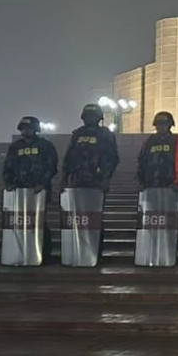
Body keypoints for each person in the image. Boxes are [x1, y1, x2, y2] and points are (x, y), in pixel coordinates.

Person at [62, 104, 120, 256]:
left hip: (96, 182)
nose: (90, 119)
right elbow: (69, 158)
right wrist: (65, 178)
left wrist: (106, 178)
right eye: (87, 116)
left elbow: (112, 158)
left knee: (94, 218)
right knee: (77, 218)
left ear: (99, 118)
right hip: (77, 181)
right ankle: (77, 251)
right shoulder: (77, 134)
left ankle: (96, 251)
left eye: (93, 116)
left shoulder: (105, 134)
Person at [3, 116, 59, 259]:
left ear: (35, 129)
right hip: (19, 190)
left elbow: (52, 166)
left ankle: (44, 254)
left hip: (39, 190)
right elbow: (8, 167)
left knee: (39, 222)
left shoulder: (45, 145)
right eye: (23, 128)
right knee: (20, 221)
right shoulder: (15, 147)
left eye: (28, 128)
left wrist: (43, 183)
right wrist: (9, 183)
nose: (26, 131)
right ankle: (21, 252)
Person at [136, 111, 178, 192]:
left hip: (172, 186)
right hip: (150, 186)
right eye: (159, 124)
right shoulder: (149, 142)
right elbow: (141, 162)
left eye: (164, 124)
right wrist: (140, 182)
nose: (161, 127)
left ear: (169, 125)